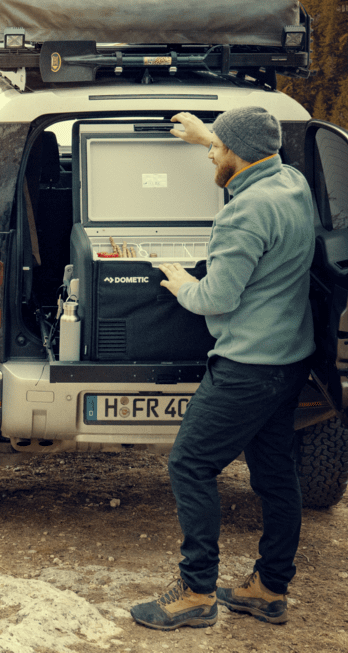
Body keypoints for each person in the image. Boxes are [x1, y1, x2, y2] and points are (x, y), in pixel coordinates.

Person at [129, 107, 317, 630]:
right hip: (290, 360)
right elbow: (243, 149)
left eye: (215, 147)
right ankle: (269, 588)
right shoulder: (291, 181)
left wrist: (180, 282)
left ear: (237, 154)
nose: (210, 152)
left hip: (246, 368)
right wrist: (208, 134)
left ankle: (195, 593)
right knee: (277, 475)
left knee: (190, 465)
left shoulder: (245, 212)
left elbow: (218, 296)